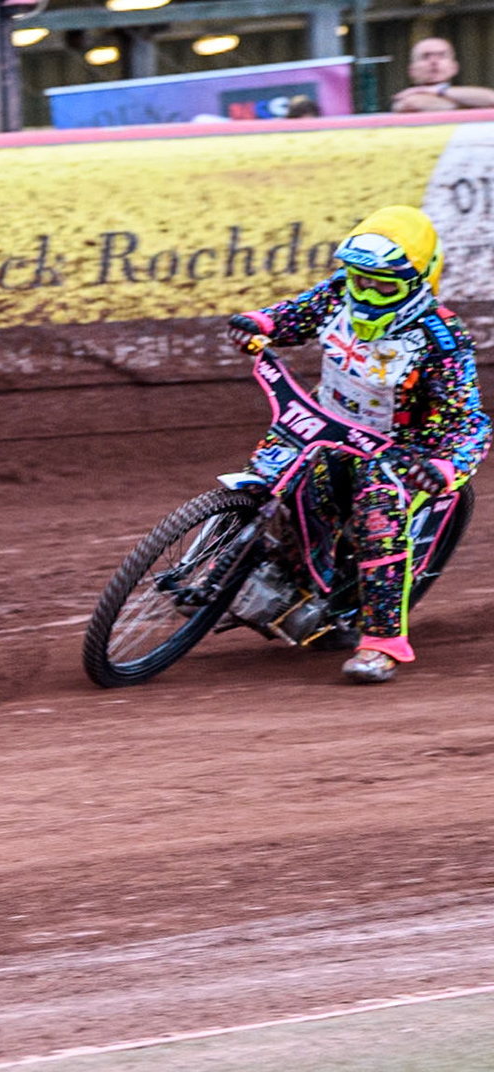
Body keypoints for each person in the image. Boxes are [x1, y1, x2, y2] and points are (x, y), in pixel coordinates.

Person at [227, 206, 489, 683]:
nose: (367, 292)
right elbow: (295, 315)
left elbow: (471, 423)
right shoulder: (338, 294)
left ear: (420, 280)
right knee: (279, 479)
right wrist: (259, 323)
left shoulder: (442, 339)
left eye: (384, 285)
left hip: (399, 452)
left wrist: (446, 467)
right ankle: (276, 583)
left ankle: (383, 640)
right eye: (359, 280)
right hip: (326, 427)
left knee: (377, 513)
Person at [391, 37, 494, 112]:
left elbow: (491, 98)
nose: (434, 62)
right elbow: (415, 104)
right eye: (425, 57)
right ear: (411, 70)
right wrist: (470, 104)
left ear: (454, 67)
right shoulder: (406, 98)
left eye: (442, 56)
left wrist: (434, 90)